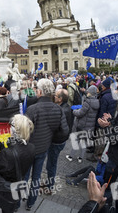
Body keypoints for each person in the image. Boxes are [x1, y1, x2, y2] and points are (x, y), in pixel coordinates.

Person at [24, 78, 68, 210]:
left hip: (29, 149)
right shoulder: (58, 109)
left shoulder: (32, 109)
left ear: (40, 92)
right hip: (43, 148)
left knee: (24, 177)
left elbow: (24, 131)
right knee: (36, 177)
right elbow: (64, 131)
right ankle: (31, 203)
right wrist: (50, 136)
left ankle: (16, 204)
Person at [0, 114, 36, 213]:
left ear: (15, 130)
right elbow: (15, 163)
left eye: (11, 126)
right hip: (14, 191)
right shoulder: (32, 148)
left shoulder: (7, 153)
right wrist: (6, 148)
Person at [43, 89, 71, 194]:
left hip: (56, 141)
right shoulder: (66, 107)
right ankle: (48, 182)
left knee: (51, 164)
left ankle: (50, 186)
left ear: (60, 99)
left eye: (56, 96)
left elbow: (55, 127)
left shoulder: (61, 110)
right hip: (60, 140)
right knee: (51, 163)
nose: (54, 97)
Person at [66, 85, 100, 163]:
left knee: (76, 141)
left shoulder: (87, 102)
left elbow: (80, 113)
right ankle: (80, 158)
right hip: (90, 126)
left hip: (82, 124)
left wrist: (74, 111)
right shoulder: (97, 101)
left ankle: (71, 156)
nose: (87, 92)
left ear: (90, 93)